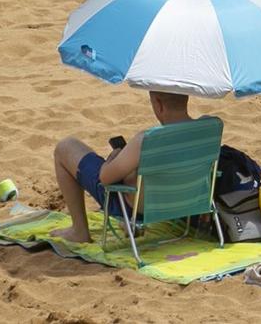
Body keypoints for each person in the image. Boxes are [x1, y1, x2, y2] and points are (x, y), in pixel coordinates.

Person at [52, 90, 203, 245]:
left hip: (139, 209)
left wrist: (114, 158)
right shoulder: (206, 128)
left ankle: (79, 230)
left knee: (65, 147)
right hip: (186, 204)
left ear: (158, 104)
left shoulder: (146, 140)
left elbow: (104, 178)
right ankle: (127, 222)